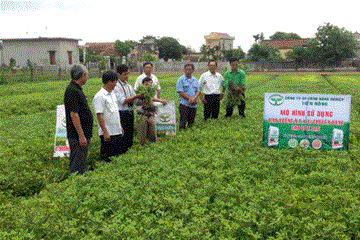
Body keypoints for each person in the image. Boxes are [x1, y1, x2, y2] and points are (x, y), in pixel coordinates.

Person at [64, 64, 93, 174]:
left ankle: (79, 181)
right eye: (86, 75)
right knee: (77, 163)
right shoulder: (72, 90)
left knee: (81, 161)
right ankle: (76, 183)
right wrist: (81, 136)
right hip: (77, 136)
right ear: (82, 75)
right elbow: (74, 115)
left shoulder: (76, 89)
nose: (87, 77)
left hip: (82, 134)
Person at [93, 71, 124, 162]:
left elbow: (115, 113)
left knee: (116, 156)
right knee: (107, 157)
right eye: (115, 82)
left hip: (116, 131)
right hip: (108, 133)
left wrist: (120, 127)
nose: (116, 84)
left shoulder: (112, 94)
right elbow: (99, 115)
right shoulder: (99, 96)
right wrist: (105, 131)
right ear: (109, 82)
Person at [113, 64, 143, 153]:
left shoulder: (129, 86)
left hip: (130, 113)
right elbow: (123, 101)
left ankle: (128, 153)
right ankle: (121, 154)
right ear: (118, 74)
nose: (127, 76)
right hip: (122, 114)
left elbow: (135, 101)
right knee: (122, 136)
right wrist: (136, 96)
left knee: (130, 135)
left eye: (128, 74)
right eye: (125, 74)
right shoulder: (116, 86)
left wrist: (144, 101)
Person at [136, 77, 168, 145]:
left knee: (153, 134)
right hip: (141, 115)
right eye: (146, 84)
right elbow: (136, 102)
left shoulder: (151, 92)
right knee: (142, 135)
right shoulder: (139, 92)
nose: (148, 85)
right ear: (143, 84)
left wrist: (161, 101)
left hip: (150, 114)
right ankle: (142, 149)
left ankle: (151, 147)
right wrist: (144, 103)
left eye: (150, 84)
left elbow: (152, 98)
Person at [176, 64, 200, 130]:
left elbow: (198, 91)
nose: (187, 71)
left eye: (189, 69)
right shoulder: (181, 80)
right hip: (184, 104)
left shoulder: (195, 80)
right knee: (183, 122)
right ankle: (182, 135)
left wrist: (194, 98)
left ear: (192, 71)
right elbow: (180, 92)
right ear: (184, 70)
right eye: (186, 69)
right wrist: (190, 99)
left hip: (193, 105)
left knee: (191, 122)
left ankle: (190, 135)